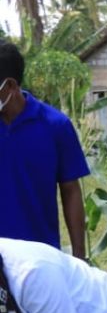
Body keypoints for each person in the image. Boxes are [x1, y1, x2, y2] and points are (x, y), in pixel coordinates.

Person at [0, 42, 90, 259]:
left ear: (10, 86)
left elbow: (71, 191)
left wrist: (79, 257)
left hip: (40, 259)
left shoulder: (55, 126)